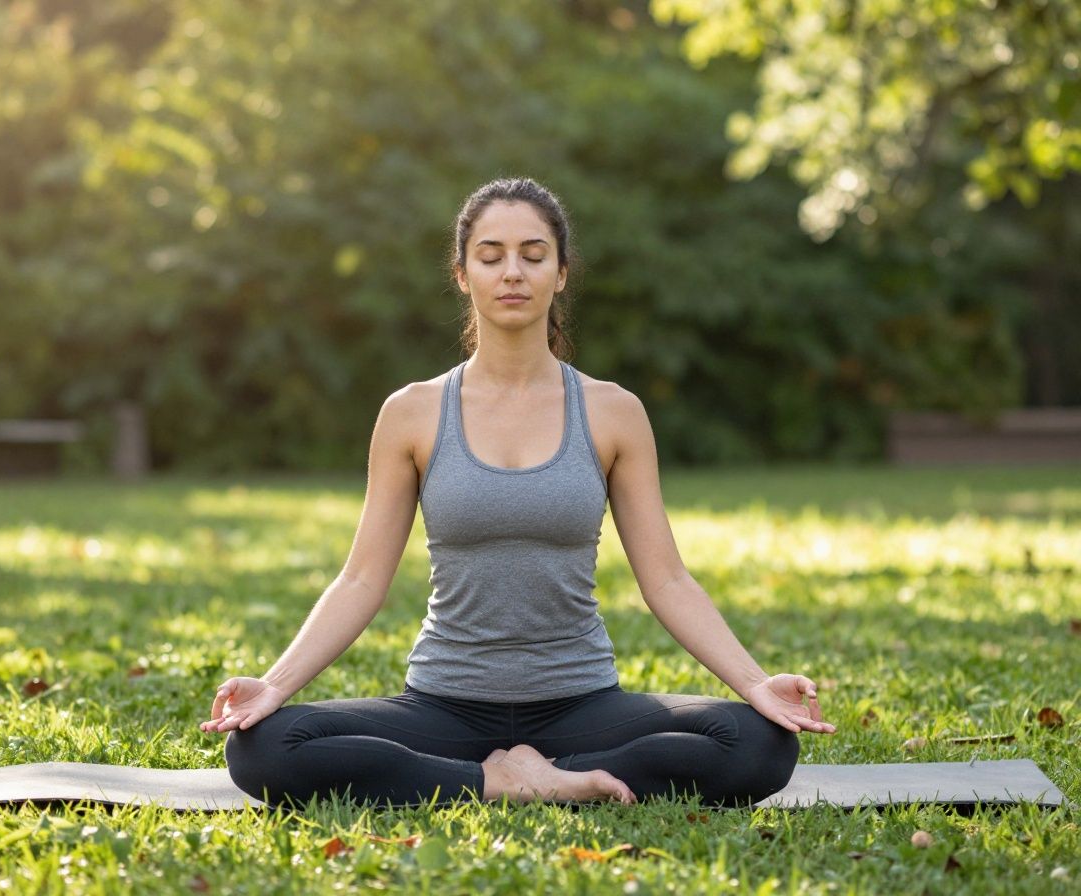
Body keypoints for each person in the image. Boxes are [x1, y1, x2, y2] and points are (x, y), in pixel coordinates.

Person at [200, 177, 836, 808]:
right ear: (462, 274)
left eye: (533, 256)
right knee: (264, 745)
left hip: (583, 703)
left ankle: (554, 770)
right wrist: (274, 685)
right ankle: (495, 779)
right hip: (444, 705)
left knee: (760, 742)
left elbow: (667, 580)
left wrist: (756, 685)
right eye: (491, 255)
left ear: (560, 273)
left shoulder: (612, 412)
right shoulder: (413, 413)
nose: (512, 272)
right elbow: (362, 578)